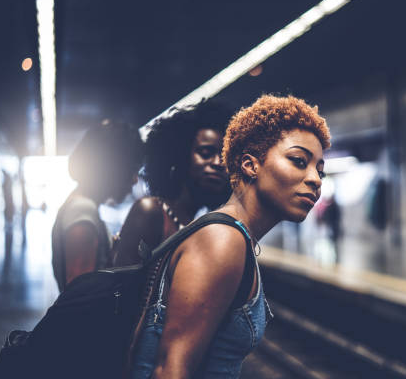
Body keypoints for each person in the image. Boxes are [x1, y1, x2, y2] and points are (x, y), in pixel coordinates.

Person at [130, 94, 331, 378]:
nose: (315, 179)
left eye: (320, 170)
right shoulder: (222, 240)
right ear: (250, 165)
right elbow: (170, 369)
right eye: (299, 161)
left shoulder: (236, 238)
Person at [112, 100, 235, 267]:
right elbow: (119, 288)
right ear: (179, 156)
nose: (218, 163)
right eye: (205, 153)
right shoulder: (151, 211)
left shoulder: (192, 224)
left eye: (224, 157)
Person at [51, 119, 143, 293]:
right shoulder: (82, 210)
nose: (134, 180)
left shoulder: (79, 204)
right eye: (132, 169)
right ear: (113, 169)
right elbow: (80, 295)